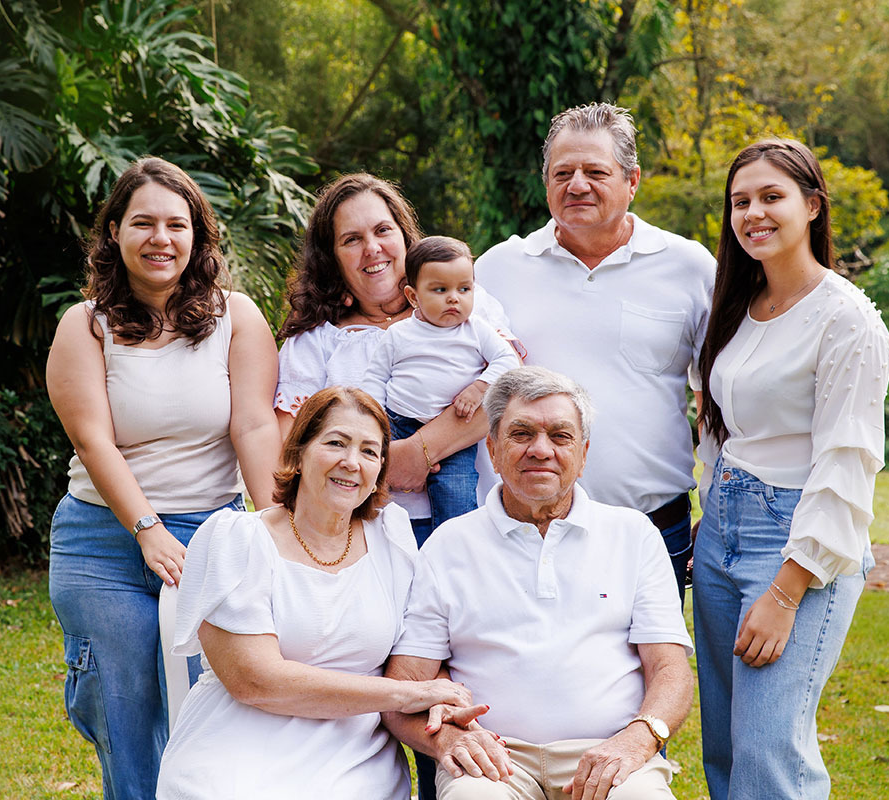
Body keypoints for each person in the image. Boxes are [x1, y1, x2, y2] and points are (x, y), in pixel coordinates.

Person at [46, 156, 281, 799]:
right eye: (143, 223)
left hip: (212, 535)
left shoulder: (237, 317)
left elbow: (254, 426)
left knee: (211, 706)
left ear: (197, 235)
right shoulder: (84, 324)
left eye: (177, 224)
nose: (161, 238)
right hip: (104, 542)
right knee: (122, 711)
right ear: (115, 232)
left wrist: (274, 529)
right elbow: (93, 440)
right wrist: (146, 528)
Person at [385, 366, 695, 800]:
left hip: (610, 752)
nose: (541, 450)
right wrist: (449, 740)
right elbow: (404, 686)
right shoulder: (449, 545)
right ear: (493, 450)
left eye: (560, 436)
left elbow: (670, 669)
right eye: (521, 434)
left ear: (583, 454)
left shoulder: (634, 534)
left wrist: (639, 739)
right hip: (494, 759)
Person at [156, 387, 477, 799]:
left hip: (354, 757)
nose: (351, 462)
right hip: (240, 744)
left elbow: (420, 650)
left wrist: (444, 696)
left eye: (369, 451)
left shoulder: (392, 536)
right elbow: (254, 681)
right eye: (336, 443)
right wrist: (408, 694)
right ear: (298, 453)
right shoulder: (238, 538)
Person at [693, 139, 889, 799]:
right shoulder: (738, 306)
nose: (753, 213)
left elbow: (847, 462)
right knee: (726, 748)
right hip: (720, 531)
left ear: (811, 206)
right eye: (740, 201)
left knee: (768, 750)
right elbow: (721, 428)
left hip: (796, 542)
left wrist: (786, 591)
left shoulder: (847, 320)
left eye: (771, 197)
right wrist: (710, 512)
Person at [475, 103, 714, 599]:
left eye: (595, 172)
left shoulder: (689, 267)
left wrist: (715, 504)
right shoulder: (496, 269)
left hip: (651, 528)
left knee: (650, 652)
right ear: (546, 184)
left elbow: (718, 396)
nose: (577, 185)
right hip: (521, 529)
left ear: (632, 180)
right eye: (562, 173)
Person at [275, 173, 513, 546]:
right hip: (363, 535)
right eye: (351, 239)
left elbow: (510, 391)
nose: (372, 248)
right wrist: (383, 460)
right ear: (332, 258)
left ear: (404, 236)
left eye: (383, 230)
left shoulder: (465, 304)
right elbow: (293, 448)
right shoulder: (314, 342)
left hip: (472, 520)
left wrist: (417, 453)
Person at [362, 235, 521, 530]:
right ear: (413, 297)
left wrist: (479, 387)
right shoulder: (399, 334)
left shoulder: (476, 330)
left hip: (454, 432)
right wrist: (373, 419)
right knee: (378, 485)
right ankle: (377, 533)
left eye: (464, 289)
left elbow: (508, 360)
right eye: (440, 290)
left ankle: (453, 546)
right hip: (398, 421)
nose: (454, 298)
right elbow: (375, 378)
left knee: (456, 494)